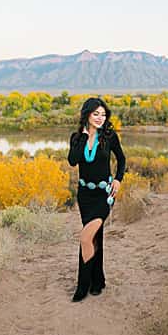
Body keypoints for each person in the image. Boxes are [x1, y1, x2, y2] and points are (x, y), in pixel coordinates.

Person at [67, 97, 127, 301]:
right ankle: (97, 282)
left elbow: (122, 159)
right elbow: (73, 161)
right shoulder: (76, 137)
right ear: (87, 115)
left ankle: (82, 286)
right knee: (94, 238)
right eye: (96, 114)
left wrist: (118, 180)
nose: (101, 118)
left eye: (103, 114)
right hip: (84, 195)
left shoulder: (109, 137)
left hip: (104, 195)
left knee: (85, 237)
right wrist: (84, 137)